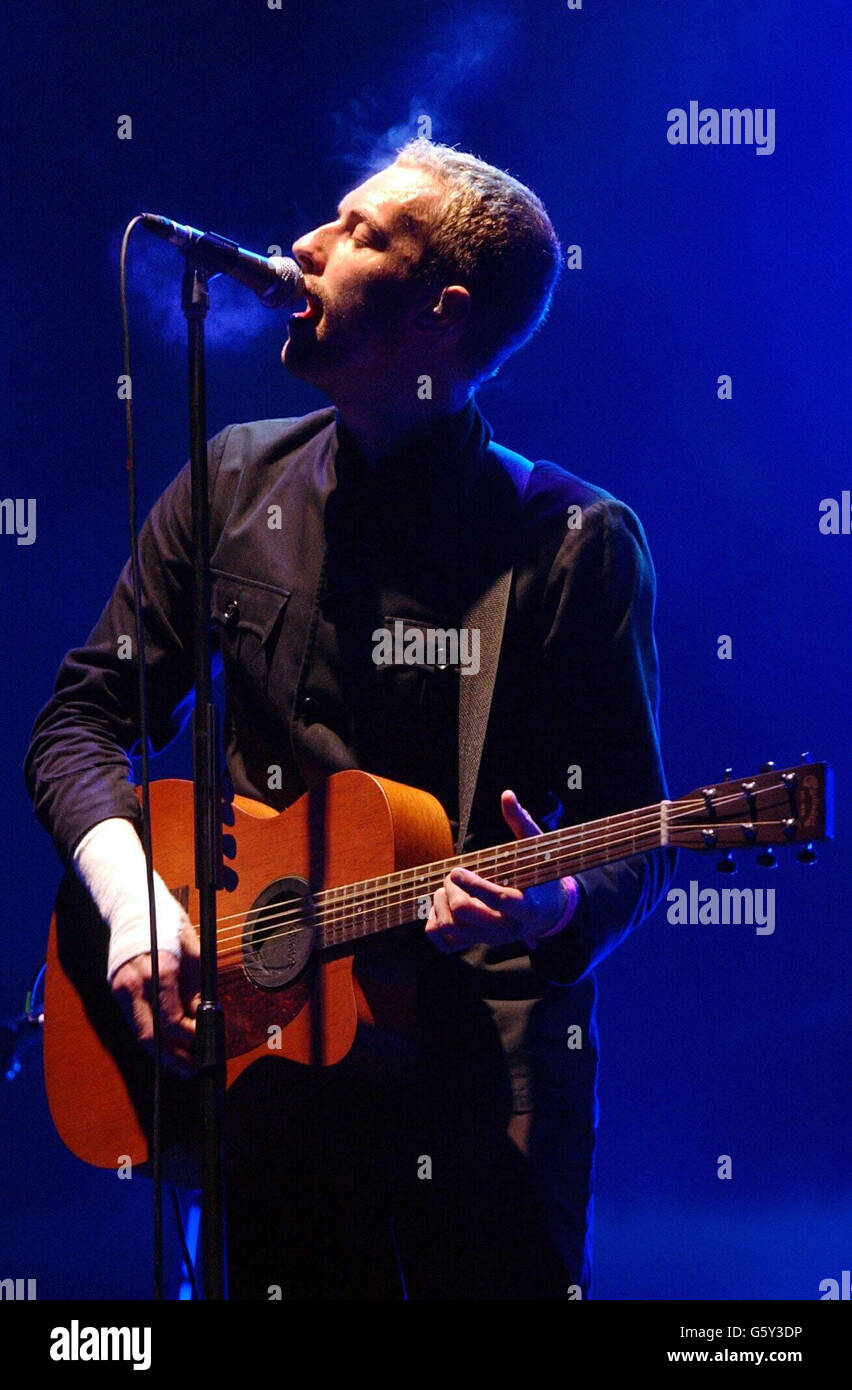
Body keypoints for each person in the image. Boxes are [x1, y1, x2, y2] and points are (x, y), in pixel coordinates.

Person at [25, 138, 676, 1299]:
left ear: (441, 315)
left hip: (477, 1102)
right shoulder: (230, 481)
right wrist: (134, 913)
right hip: (260, 1086)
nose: (304, 249)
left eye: (361, 232)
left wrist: (558, 897)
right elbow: (78, 720)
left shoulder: (571, 542)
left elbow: (634, 827)